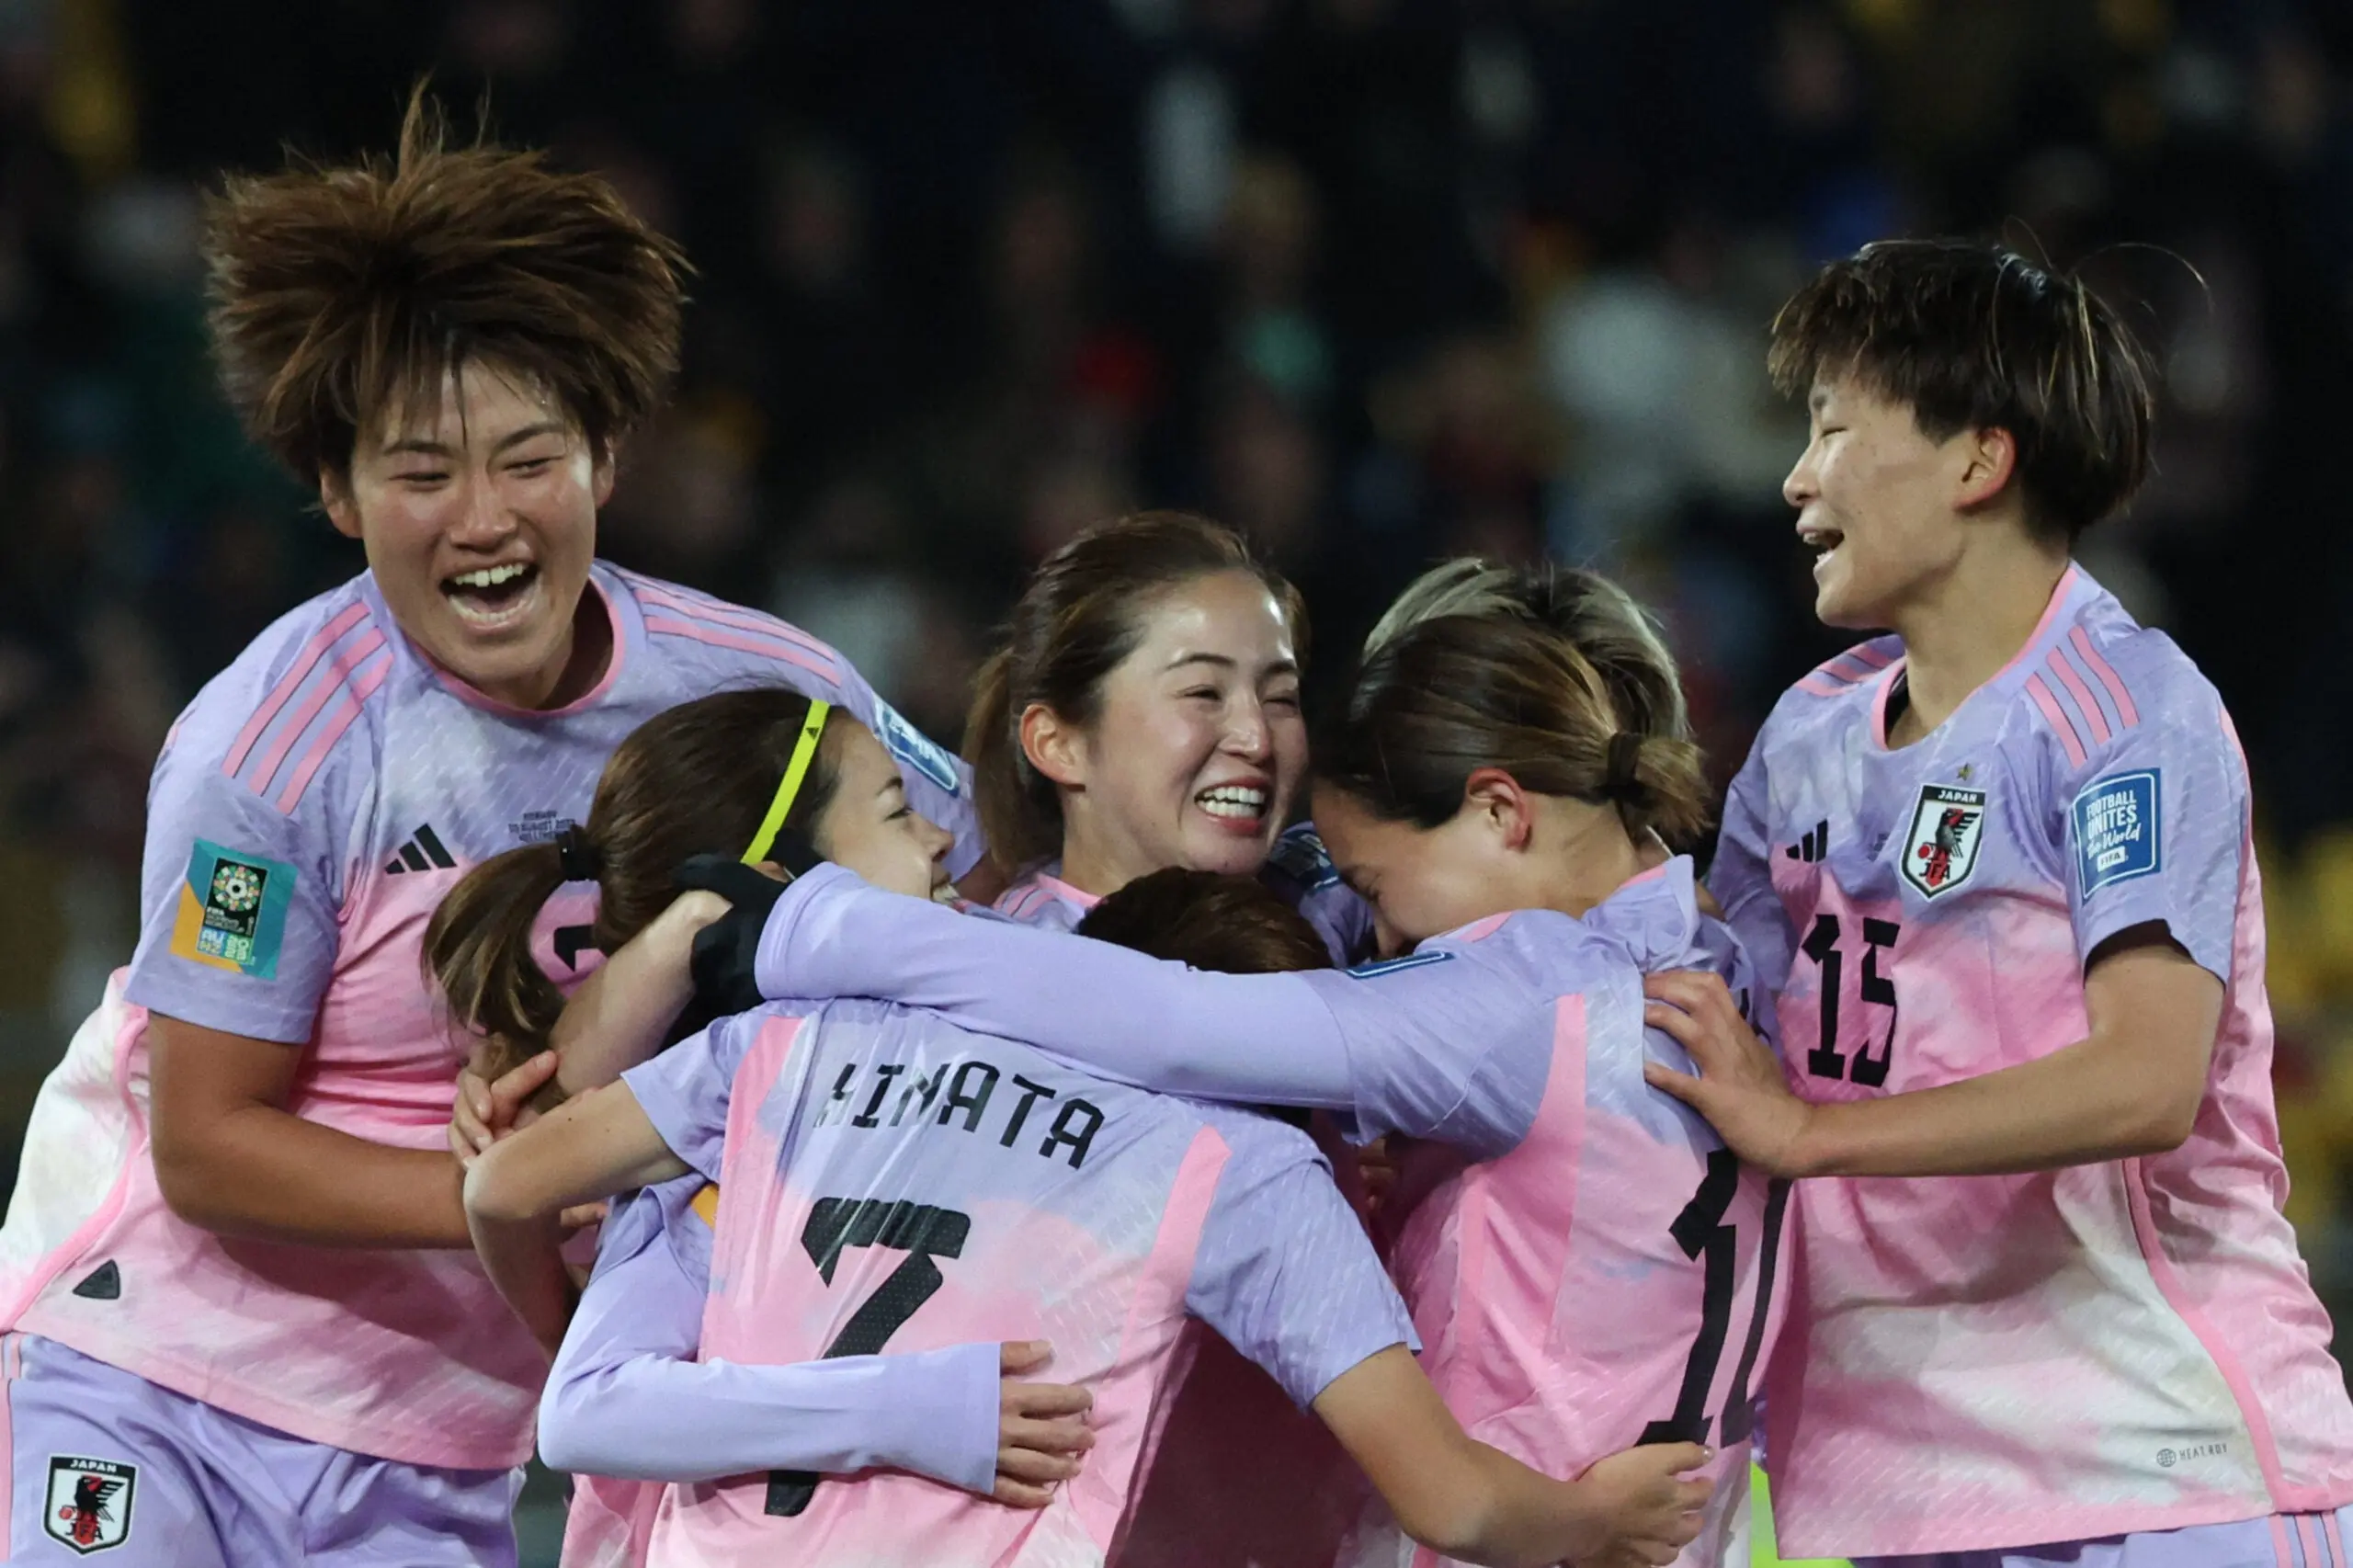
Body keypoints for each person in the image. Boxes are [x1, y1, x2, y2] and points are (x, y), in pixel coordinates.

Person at [0, 95, 980, 1566]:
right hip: (152, 1380)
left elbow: (982, 868)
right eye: (420, 470)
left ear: (606, 454)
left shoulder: (765, 693)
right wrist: (530, 1189)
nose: (482, 517)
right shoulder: (269, 749)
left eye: (528, 456)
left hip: (444, 1443)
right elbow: (206, 1144)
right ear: (336, 490)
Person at [679, 560, 1786, 1567]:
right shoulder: (1721, 961)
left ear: (1502, 806)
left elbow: (1171, 1019)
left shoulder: (1503, 990)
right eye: (1202, 689)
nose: (1385, 938)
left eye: (1382, 890)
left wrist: (825, 928)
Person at [1643, 239, 2353, 1564]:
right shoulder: (1807, 736)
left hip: (2160, 1475)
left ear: (1979, 459)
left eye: (1835, 428)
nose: (1797, 477)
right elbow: (1706, 1018)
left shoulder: (2127, 711)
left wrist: (1810, 1132)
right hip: (1899, 1492)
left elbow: (2147, 1079)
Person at [466, 865, 1713, 1568]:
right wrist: (1595, 1516)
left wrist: (564, 1321)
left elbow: (503, 1185)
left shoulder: (798, 1043)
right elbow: (1455, 1504)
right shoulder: (1246, 1166)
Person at [425, 687, 1086, 1566]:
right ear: (781, 885)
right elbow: (586, 1409)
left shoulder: (934, 1052)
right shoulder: (715, 1143)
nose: (940, 841)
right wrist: (909, 1412)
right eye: (896, 811)